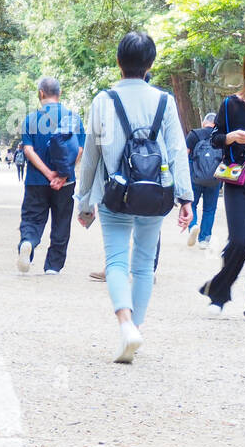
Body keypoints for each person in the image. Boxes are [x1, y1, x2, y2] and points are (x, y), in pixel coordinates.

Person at [74, 31, 192, 363]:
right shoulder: (165, 101)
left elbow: (92, 158)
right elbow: (177, 152)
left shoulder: (103, 101)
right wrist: (186, 198)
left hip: (114, 194)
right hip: (155, 195)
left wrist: (84, 201)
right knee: (143, 265)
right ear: (150, 64)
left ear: (118, 62)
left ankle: (125, 325)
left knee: (115, 261)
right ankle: (136, 327)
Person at [200, 45, 245, 318]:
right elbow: (214, 138)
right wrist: (231, 137)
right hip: (240, 178)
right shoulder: (231, 104)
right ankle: (219, 291)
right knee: (240, 243)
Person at [16, 77, 85, 275]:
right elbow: (79, 149)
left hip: (36, 180)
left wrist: (46, 173)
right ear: (59, 94)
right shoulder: (73, 118)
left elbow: (28, 150)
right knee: (61, 221)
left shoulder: (30, 119)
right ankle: (53, 266)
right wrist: (61, 176)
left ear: (41, 94)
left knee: (32, 218)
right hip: (65, 181)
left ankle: (28, 242)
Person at [185, 111, 221, 251]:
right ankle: (204, 240)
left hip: (194, 177)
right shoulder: (221, 137)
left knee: (191, 204)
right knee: (209, 209)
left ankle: (193, 225)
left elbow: (184, 155)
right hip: (215, 179)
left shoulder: (194, 134)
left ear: (204, 122)